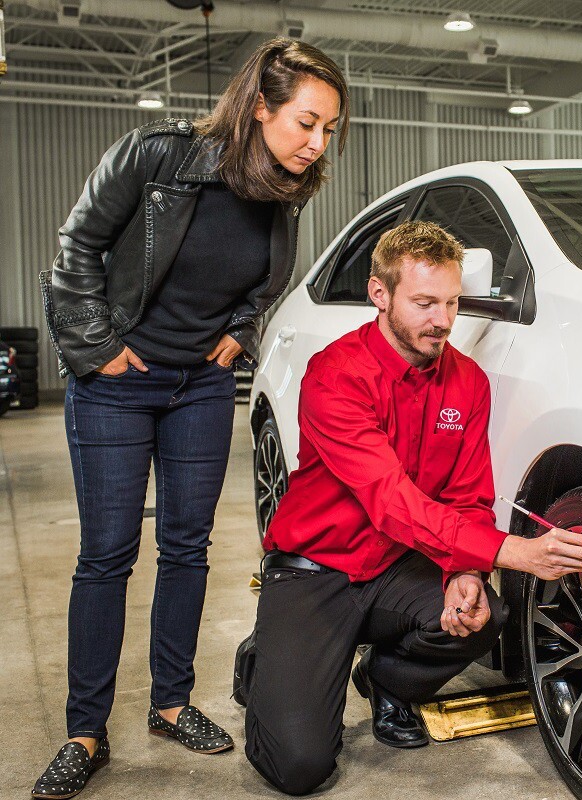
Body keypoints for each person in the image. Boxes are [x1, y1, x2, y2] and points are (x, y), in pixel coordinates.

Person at [34, 39, 349, 800]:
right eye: (307, 122)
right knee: (108, 552)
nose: (316, 142)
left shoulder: (284, 188)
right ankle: (85, 731)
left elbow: (263, 282)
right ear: (260, 107)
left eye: (329, 129)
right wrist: (97, 348)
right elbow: (76, 250)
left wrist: (238, 334)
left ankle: (170, 704)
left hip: (200, 388)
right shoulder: (155, 156)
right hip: (117, 383)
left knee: (187, 547)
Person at [243, 221, 582, 795]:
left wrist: (467, 570)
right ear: (379, 294)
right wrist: (511, 552)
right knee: (298, 767)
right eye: (424, 303)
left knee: (485, 614)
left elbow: (468, 497)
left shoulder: (467, 384)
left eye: (453, 302)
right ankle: (269, 656)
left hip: (398, 568)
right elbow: (390, 500)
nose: (442, 320)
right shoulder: (335, 375)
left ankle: (389, 682)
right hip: (317, 570)